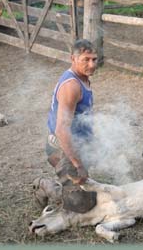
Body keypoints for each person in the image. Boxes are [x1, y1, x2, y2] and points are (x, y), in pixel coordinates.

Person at [34, 39, 98, 213]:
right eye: (86, 59)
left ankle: (70, 185)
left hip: (78, 144)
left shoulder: (83, 78)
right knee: (80, 207)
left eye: (94, 59)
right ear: (73, 58)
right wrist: (77, 164)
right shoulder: (71, 86)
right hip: (63, 149)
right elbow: (61, 130)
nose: (91, 65)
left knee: (92, 196)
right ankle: (45, 185)